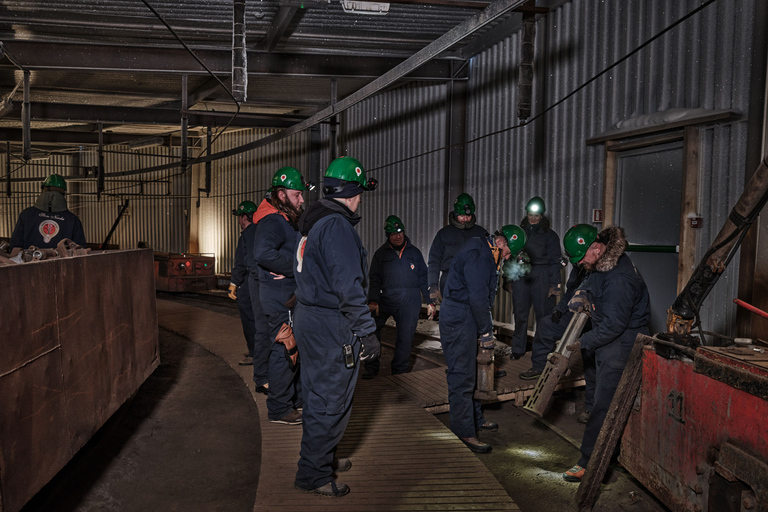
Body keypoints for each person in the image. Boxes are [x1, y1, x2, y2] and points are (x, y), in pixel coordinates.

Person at [292, 156, 380, 497]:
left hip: (309, 317)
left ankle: (320, 457)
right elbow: (348, 287)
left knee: (316, 393)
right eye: (360, 193)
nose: (360, 200)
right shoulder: (338, 227)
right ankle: (313, 473)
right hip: (330, 325)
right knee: (331, 399)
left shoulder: (313, 222)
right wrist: (366, 332)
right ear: (353, 192)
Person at [561, 225, 650, 482]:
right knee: (600, 396)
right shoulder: (604, 262)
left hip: (621, 343)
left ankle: (589, 461)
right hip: (608, 338)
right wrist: (582, 292)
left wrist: (582, 342)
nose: (581, 264)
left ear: (596, 249)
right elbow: (592, 277)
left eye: (582, 259)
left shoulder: (620, 279)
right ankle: (614, 453)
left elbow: (614, 325)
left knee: (604, 405)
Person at [439, 225, 526, 454]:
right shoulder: (477, 255)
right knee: (461, 376)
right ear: (500, 243)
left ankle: (475, 420)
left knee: (474, 373)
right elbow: (478, 298)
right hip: (459, 318)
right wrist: (487, 331)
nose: (508, 257)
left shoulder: (487, 252)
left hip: (468, 316)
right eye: (508, 252)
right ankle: (463, 431)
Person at [253, 167, 311, 426]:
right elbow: (263, 253)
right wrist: (294, 267)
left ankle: (295, 400)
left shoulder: (285, 218)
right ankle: (278, 408)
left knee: (292, 350)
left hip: (286, 296)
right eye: (297, 195)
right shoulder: (273, 221)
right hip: (280, 299)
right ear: (281, 194)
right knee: (285, 350)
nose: (301, 200)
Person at [364, 215, 431, 379]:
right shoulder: (381, 255)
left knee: (405, 337)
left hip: (409, 301)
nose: (398, 236)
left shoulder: (414, 253)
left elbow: (424, 277)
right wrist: (373, 300)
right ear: (388, 235)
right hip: (385, 298)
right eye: (393, 234)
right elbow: (374, 279)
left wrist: (430, 301)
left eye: (400, 232)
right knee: (372, 330)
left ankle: (399, 372)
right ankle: (372, 368)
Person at [508, 196, 562, 359]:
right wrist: (509, 280)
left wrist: (555, 284)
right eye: (530, 214)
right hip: (522, 275)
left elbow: (555, 261)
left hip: (542, 275)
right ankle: (518, 349)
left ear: (542, 216)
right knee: (520, 313)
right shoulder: (518, 233)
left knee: (544, 315)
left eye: (536, 215)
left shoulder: (550, 236)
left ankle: (542, 351)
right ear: (527, 214)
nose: (533, 218)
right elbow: (511, 256)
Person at [427, 193, 486, 313]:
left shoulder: (481, 234)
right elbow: (434, 261)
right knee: (452, 316)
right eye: (462, 216)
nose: (465, 219)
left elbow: (489, 261)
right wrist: (433, 285)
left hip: (474, 281)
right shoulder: (444, 234)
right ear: (455, 214)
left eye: (468, 216)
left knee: (472, 317)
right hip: (449, 280)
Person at [10, 173, 86, 249]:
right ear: (63, 192)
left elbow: (15, 247)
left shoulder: (26, 215)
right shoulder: (73, 220)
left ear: (43, 189)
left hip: (30, 259)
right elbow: (80, 250)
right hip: (62, 261)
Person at [228, 200, 259, 366]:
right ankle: (259, 351)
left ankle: (254, 353)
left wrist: (234, 283)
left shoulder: (247, 235)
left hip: (248, 283)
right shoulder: (260, 231)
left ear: (245, 217)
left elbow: (241, 262)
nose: (239, 221)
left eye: (240, 217)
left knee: (249, 318)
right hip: (260, 282)